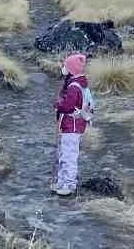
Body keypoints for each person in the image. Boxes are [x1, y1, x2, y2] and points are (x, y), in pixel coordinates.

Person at [52, 52, 91, 196]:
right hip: (73, 125)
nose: (64, 68)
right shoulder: (80, 83)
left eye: (66, 66)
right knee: (65, 153)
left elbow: (68, 105)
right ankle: (62, 182)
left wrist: (57, 104)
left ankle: (69, 184)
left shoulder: (74, 87)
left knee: (68, 155)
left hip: (71, 125)